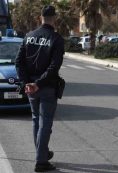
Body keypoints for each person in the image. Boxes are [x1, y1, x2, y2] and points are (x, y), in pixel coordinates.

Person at [15, 5, 64, 172]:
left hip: (31, 87)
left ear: (40, 17)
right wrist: (38, 84)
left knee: (36, 120)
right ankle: (41, 161)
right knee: (45, 123)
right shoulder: (56, 38)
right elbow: (54, 67)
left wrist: (26, 83)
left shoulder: (29, 36)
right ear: (54, 18)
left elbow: (18, 62)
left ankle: (41, 153)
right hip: (46, 87)